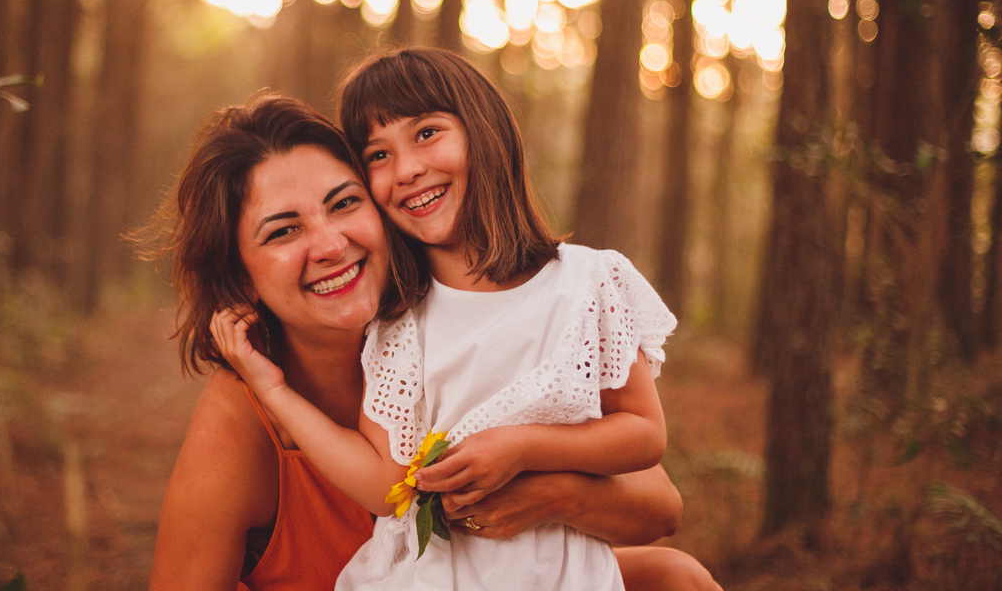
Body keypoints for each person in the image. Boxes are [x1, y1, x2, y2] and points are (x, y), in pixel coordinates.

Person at [149, 93, 717, 591]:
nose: (330, 244)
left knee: (675, 577)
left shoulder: (448, 327)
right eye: (283, 231)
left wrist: (550, 493)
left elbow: (660, 506)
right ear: (242, 275)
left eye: (345, 203)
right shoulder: (242, 421)